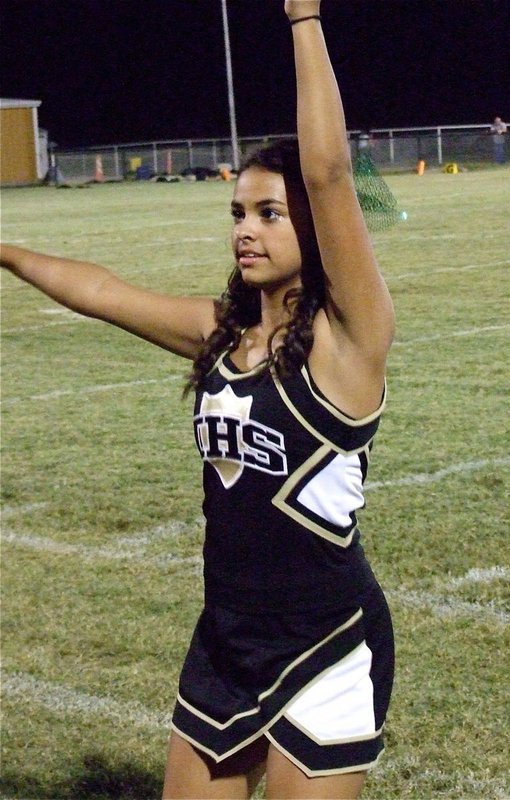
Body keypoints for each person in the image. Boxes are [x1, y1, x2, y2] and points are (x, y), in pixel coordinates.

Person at [1, 1, 395, 797]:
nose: (246, 231)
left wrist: (303, 19)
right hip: (224, 640)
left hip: (325, 643)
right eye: (237, 214)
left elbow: (326, 172)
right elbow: (100, 292)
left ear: (313, 230)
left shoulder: (348, 342)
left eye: (269, 215)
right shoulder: (219, 333)